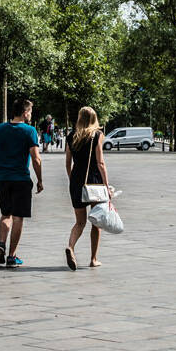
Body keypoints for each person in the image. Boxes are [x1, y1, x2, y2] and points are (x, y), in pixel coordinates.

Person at [0, 98, 43, 268]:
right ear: (25, 113)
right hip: (21, 179)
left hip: (2, 178)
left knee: (5, 214)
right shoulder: (30, 131)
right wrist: (40, 180)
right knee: (18, 218)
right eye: (30, 111)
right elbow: (36, 159)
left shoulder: (0, 129)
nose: (31, 115)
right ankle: (12, 256)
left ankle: (1, 243)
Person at [65, 106, 112, 270]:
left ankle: (70, 247)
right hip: (94, 182)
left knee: (80, 222)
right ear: (94, 119)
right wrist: (107, 186)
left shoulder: (71, 136)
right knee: (96, 222)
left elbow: (68, 163)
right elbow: (100, 163)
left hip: (77, 182)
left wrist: (73, 180)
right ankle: (93, 259)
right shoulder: (97, 135)